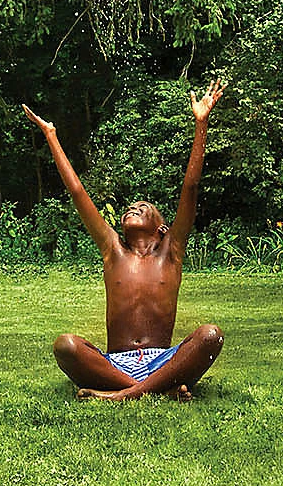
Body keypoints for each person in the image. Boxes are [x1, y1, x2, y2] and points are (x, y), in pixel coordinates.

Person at [23, 83, 226, 401]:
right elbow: (77, 192)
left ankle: (121, 394)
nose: (133, 208)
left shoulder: (171, 252)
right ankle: (156, 390)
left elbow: (191, 187)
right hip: (114, 362)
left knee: (211, 335)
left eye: (143, 209)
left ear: (162, 228)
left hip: (164, 360)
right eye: (130, 208)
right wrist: (51, 136)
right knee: (66, 345)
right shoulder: (113, 250)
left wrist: (201, 123)